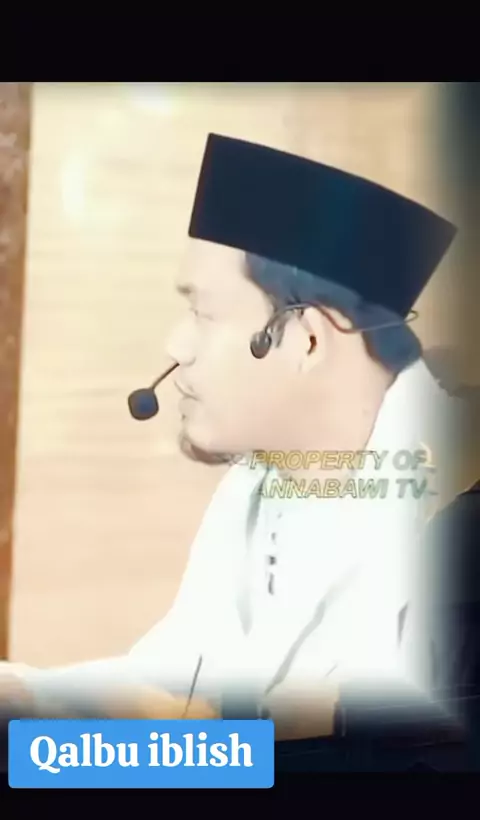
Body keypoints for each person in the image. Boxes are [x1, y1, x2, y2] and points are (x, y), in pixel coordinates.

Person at [0, 134, 471, 740]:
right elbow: (180, 686)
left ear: (305, 340)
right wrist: (28, 697)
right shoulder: (262, 482)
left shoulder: (451, 526)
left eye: (204, 314)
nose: (176, 345)